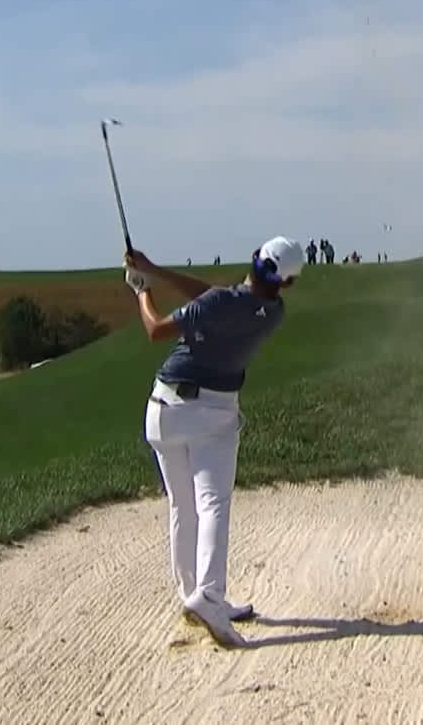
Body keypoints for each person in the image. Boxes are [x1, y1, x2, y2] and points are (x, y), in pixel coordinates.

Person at [122, 235, 306, 649]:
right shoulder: (273, 311)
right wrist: (153, 269)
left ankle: (196, 595)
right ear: (287, 283)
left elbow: (156, 329)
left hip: (163, 410)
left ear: (255, 258)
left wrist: (142, 289)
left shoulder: (222, 302)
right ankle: (208, 598)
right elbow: (214, 297)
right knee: (212, 505)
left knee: (182, 506)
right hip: (211, 415)